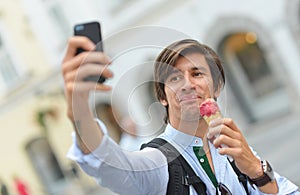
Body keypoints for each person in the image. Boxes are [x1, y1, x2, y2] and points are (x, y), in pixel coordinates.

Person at [63, 36, 299, 194]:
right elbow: (110, 165)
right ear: (163, 97)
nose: (187, 84)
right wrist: (80, 111)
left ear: (215, 88)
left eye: (197, 74)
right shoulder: (158, 163)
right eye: (175, 78)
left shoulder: (231, 151)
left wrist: (257, 171)